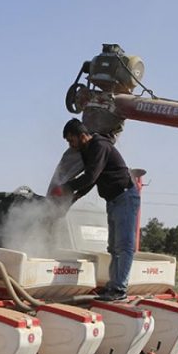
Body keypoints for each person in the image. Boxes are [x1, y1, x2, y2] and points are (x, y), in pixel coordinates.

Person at [55, 118, 139, 301]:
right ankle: (112, 286)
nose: (71, 144)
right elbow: (92, 179)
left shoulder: (99, 145)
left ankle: (119, 289)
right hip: (113, 199)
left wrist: (66, 187)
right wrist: (75, 197)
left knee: (124, 246)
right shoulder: (87, 151)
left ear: (82, 135)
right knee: (114, 247)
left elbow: (91, 176)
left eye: (71, 140)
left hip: (125, 196)